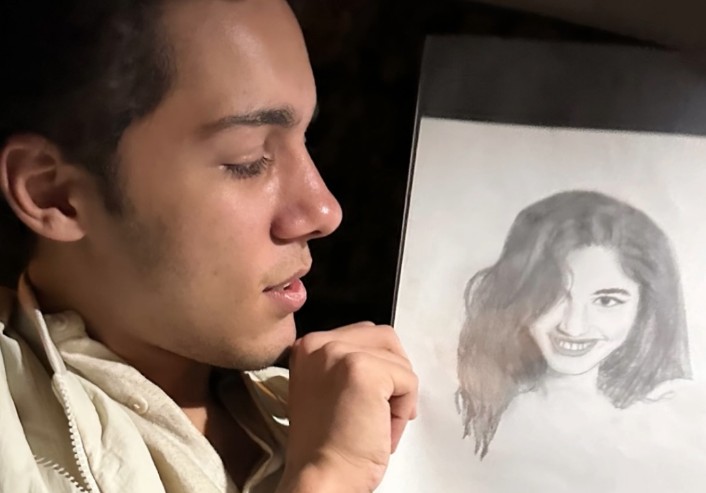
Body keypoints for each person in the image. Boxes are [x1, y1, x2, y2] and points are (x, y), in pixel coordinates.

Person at [0, 1, 418, 492]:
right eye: (248, 160)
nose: (324, 210)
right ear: (53, 193)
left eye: (308, 139)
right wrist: (329, 476)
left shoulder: (350, 412)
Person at [455, 190, 690, 458]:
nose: (572, 327)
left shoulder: (669, 421)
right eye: (554, 296)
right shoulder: (472, 413)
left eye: (606, 301)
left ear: (645, 307)